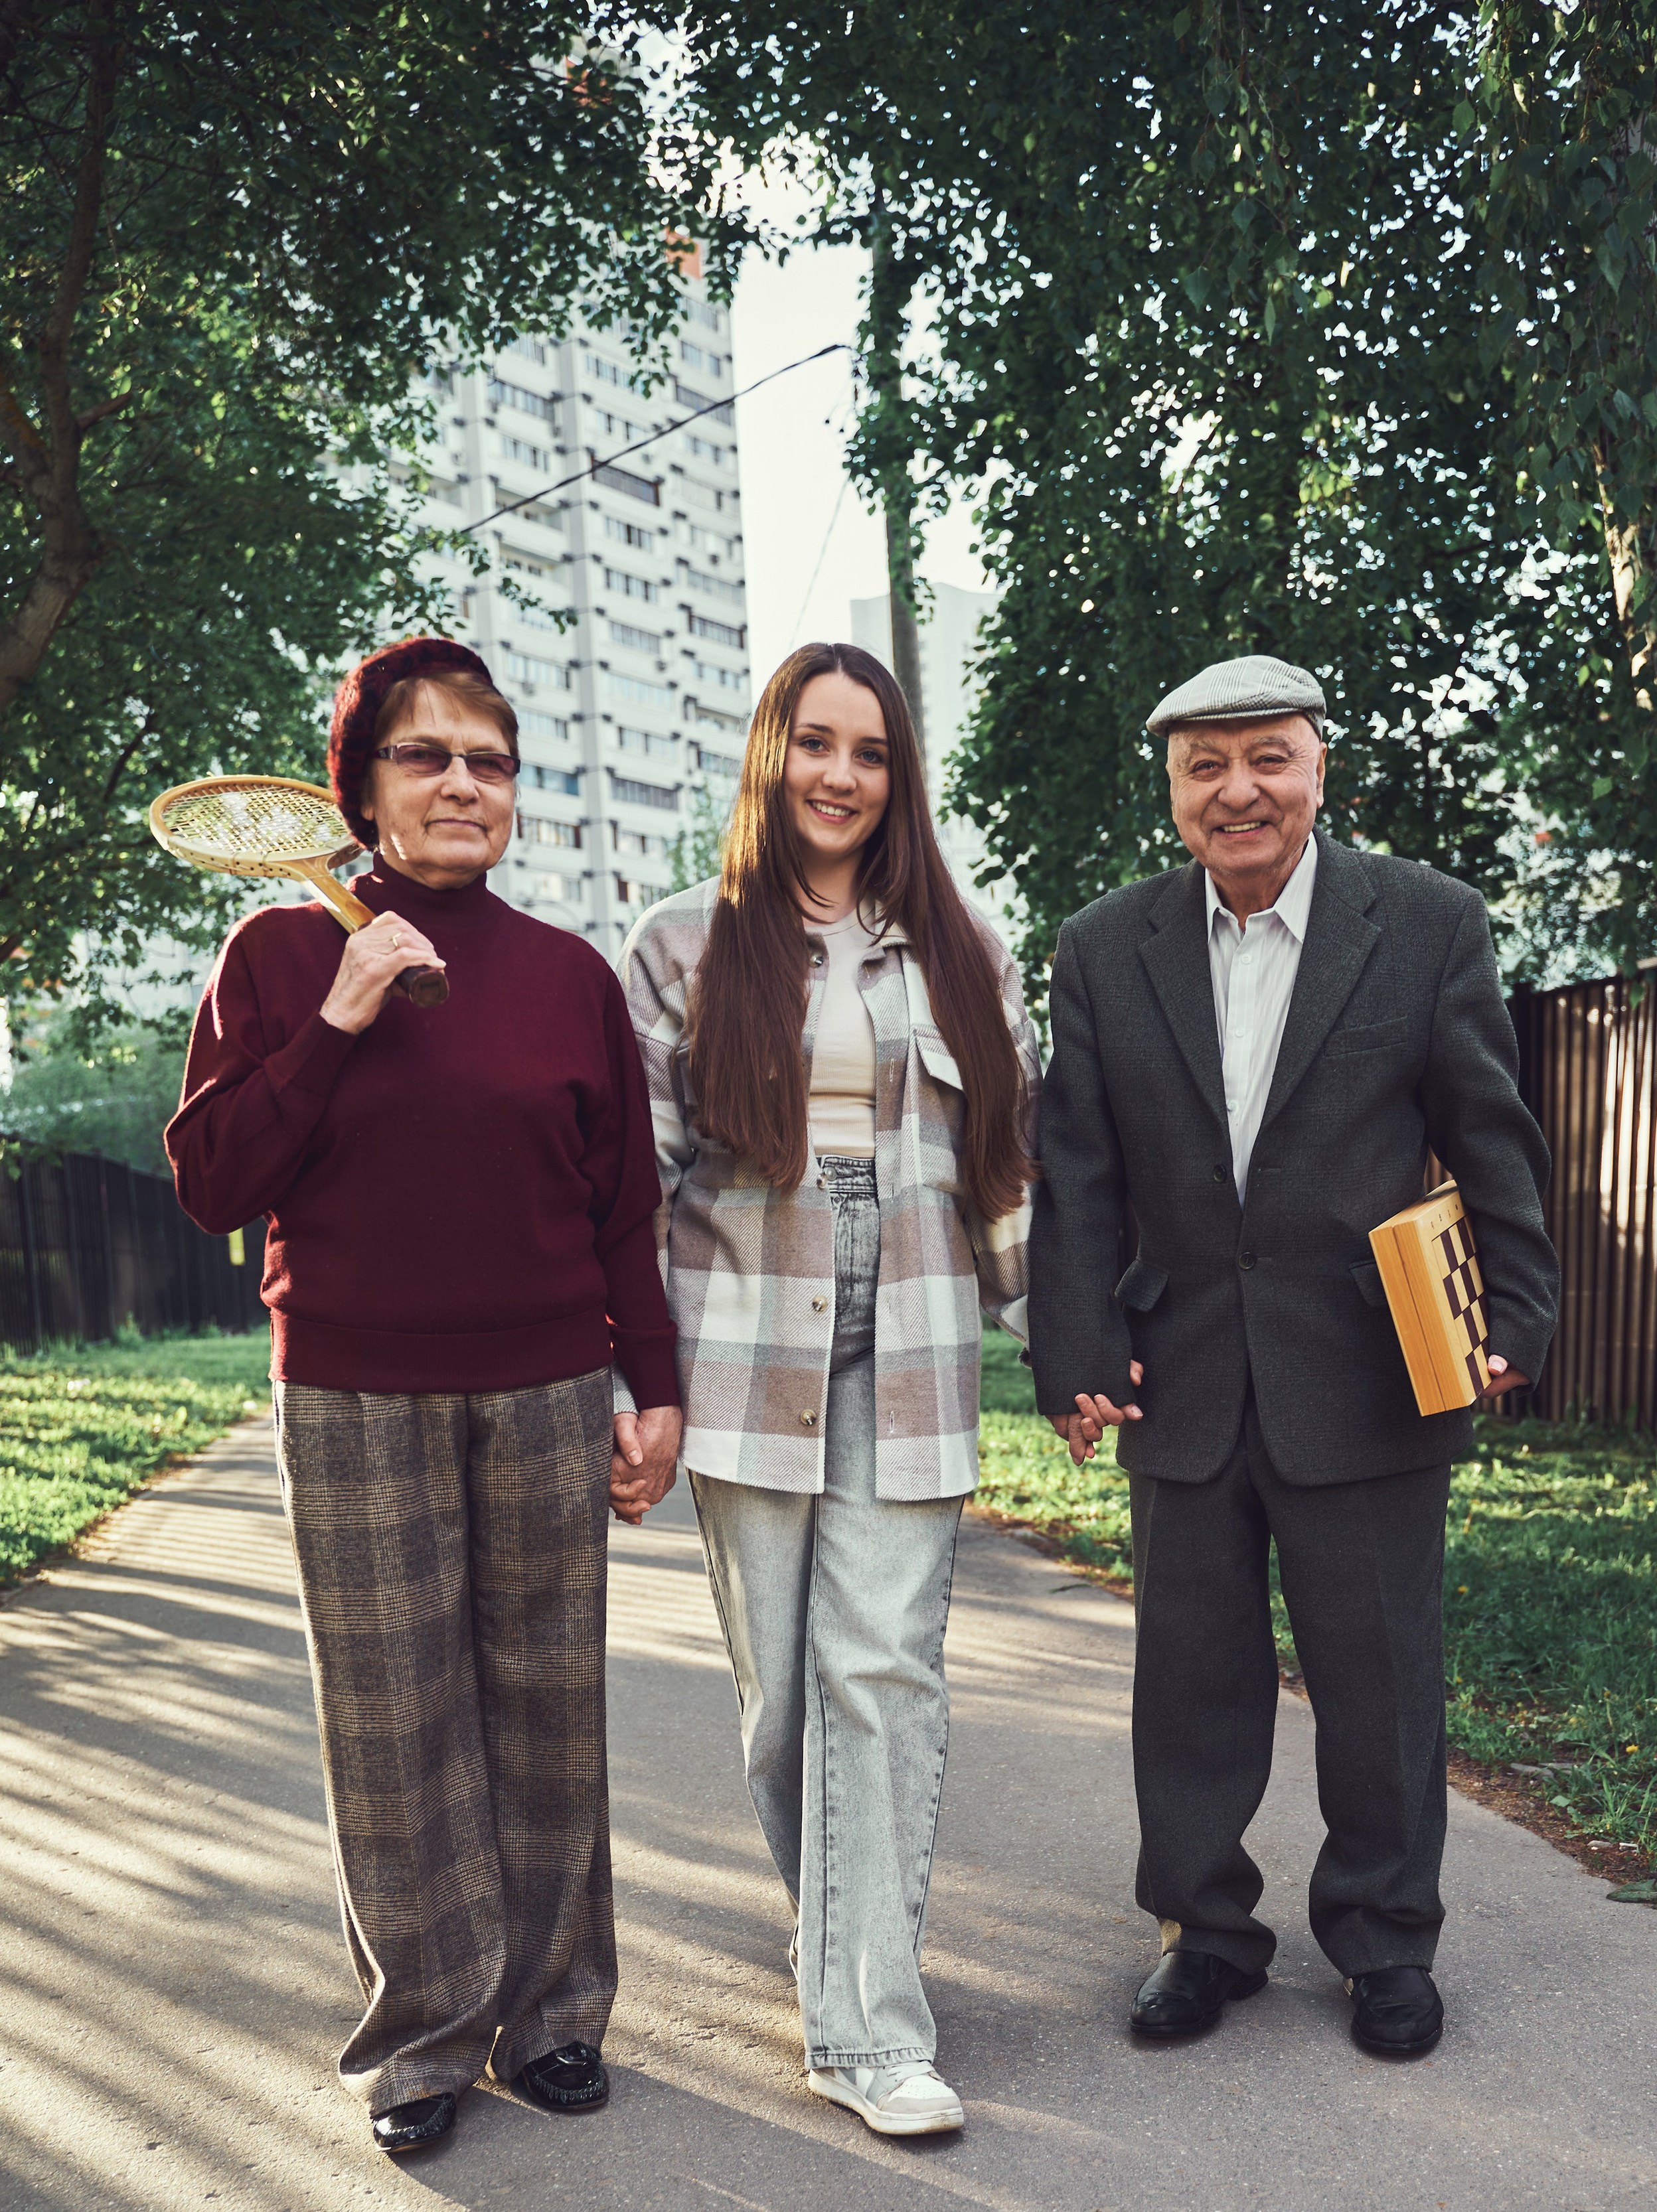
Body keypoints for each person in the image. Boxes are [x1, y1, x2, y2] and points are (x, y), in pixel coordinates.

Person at [167, 636, 681, 2155]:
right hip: (352, 1390)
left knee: (547, 1709)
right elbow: (211, 1183)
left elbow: (622, 1208)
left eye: (490, 759)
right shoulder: (277, 953)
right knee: (397, 1726)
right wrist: (338, 1015)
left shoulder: (568, 976)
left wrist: (649, 1384)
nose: (464, 781)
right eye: (426, 753)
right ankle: (423, 2041)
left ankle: (557, 2014)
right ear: (360, 784)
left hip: (543, 1384)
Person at [1029, 653, 1560, 2059]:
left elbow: (1487, 1129)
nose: (1236, 789)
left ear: (1317, 767)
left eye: (1264, 756)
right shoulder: (1101, 945)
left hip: (1375, 1363)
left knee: (1380, 1676)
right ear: (1172, 793)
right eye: (1203, 766)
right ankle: (1201, 1933)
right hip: (1181, 1369)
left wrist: (1516, 1309)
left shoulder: (1425, 922)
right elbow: (1075, 1167)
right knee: (1186, 1679)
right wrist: (1073, 1341)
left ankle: (1386, 1940)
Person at [617, 641, 1039, 2136]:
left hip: (913, 1331)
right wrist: (634, 1379)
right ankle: (832, 1929)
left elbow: (1001, 1167)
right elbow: (637, 1180)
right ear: (771, 755)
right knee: (777, 1696)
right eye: (815, 742)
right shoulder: (677, 946)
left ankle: (866, 2027)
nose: (840, 774)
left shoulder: (958, 947)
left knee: (881, 1667)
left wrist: (1061, 1344)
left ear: (895, 774)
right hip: (742, 1336)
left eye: (868, 749)